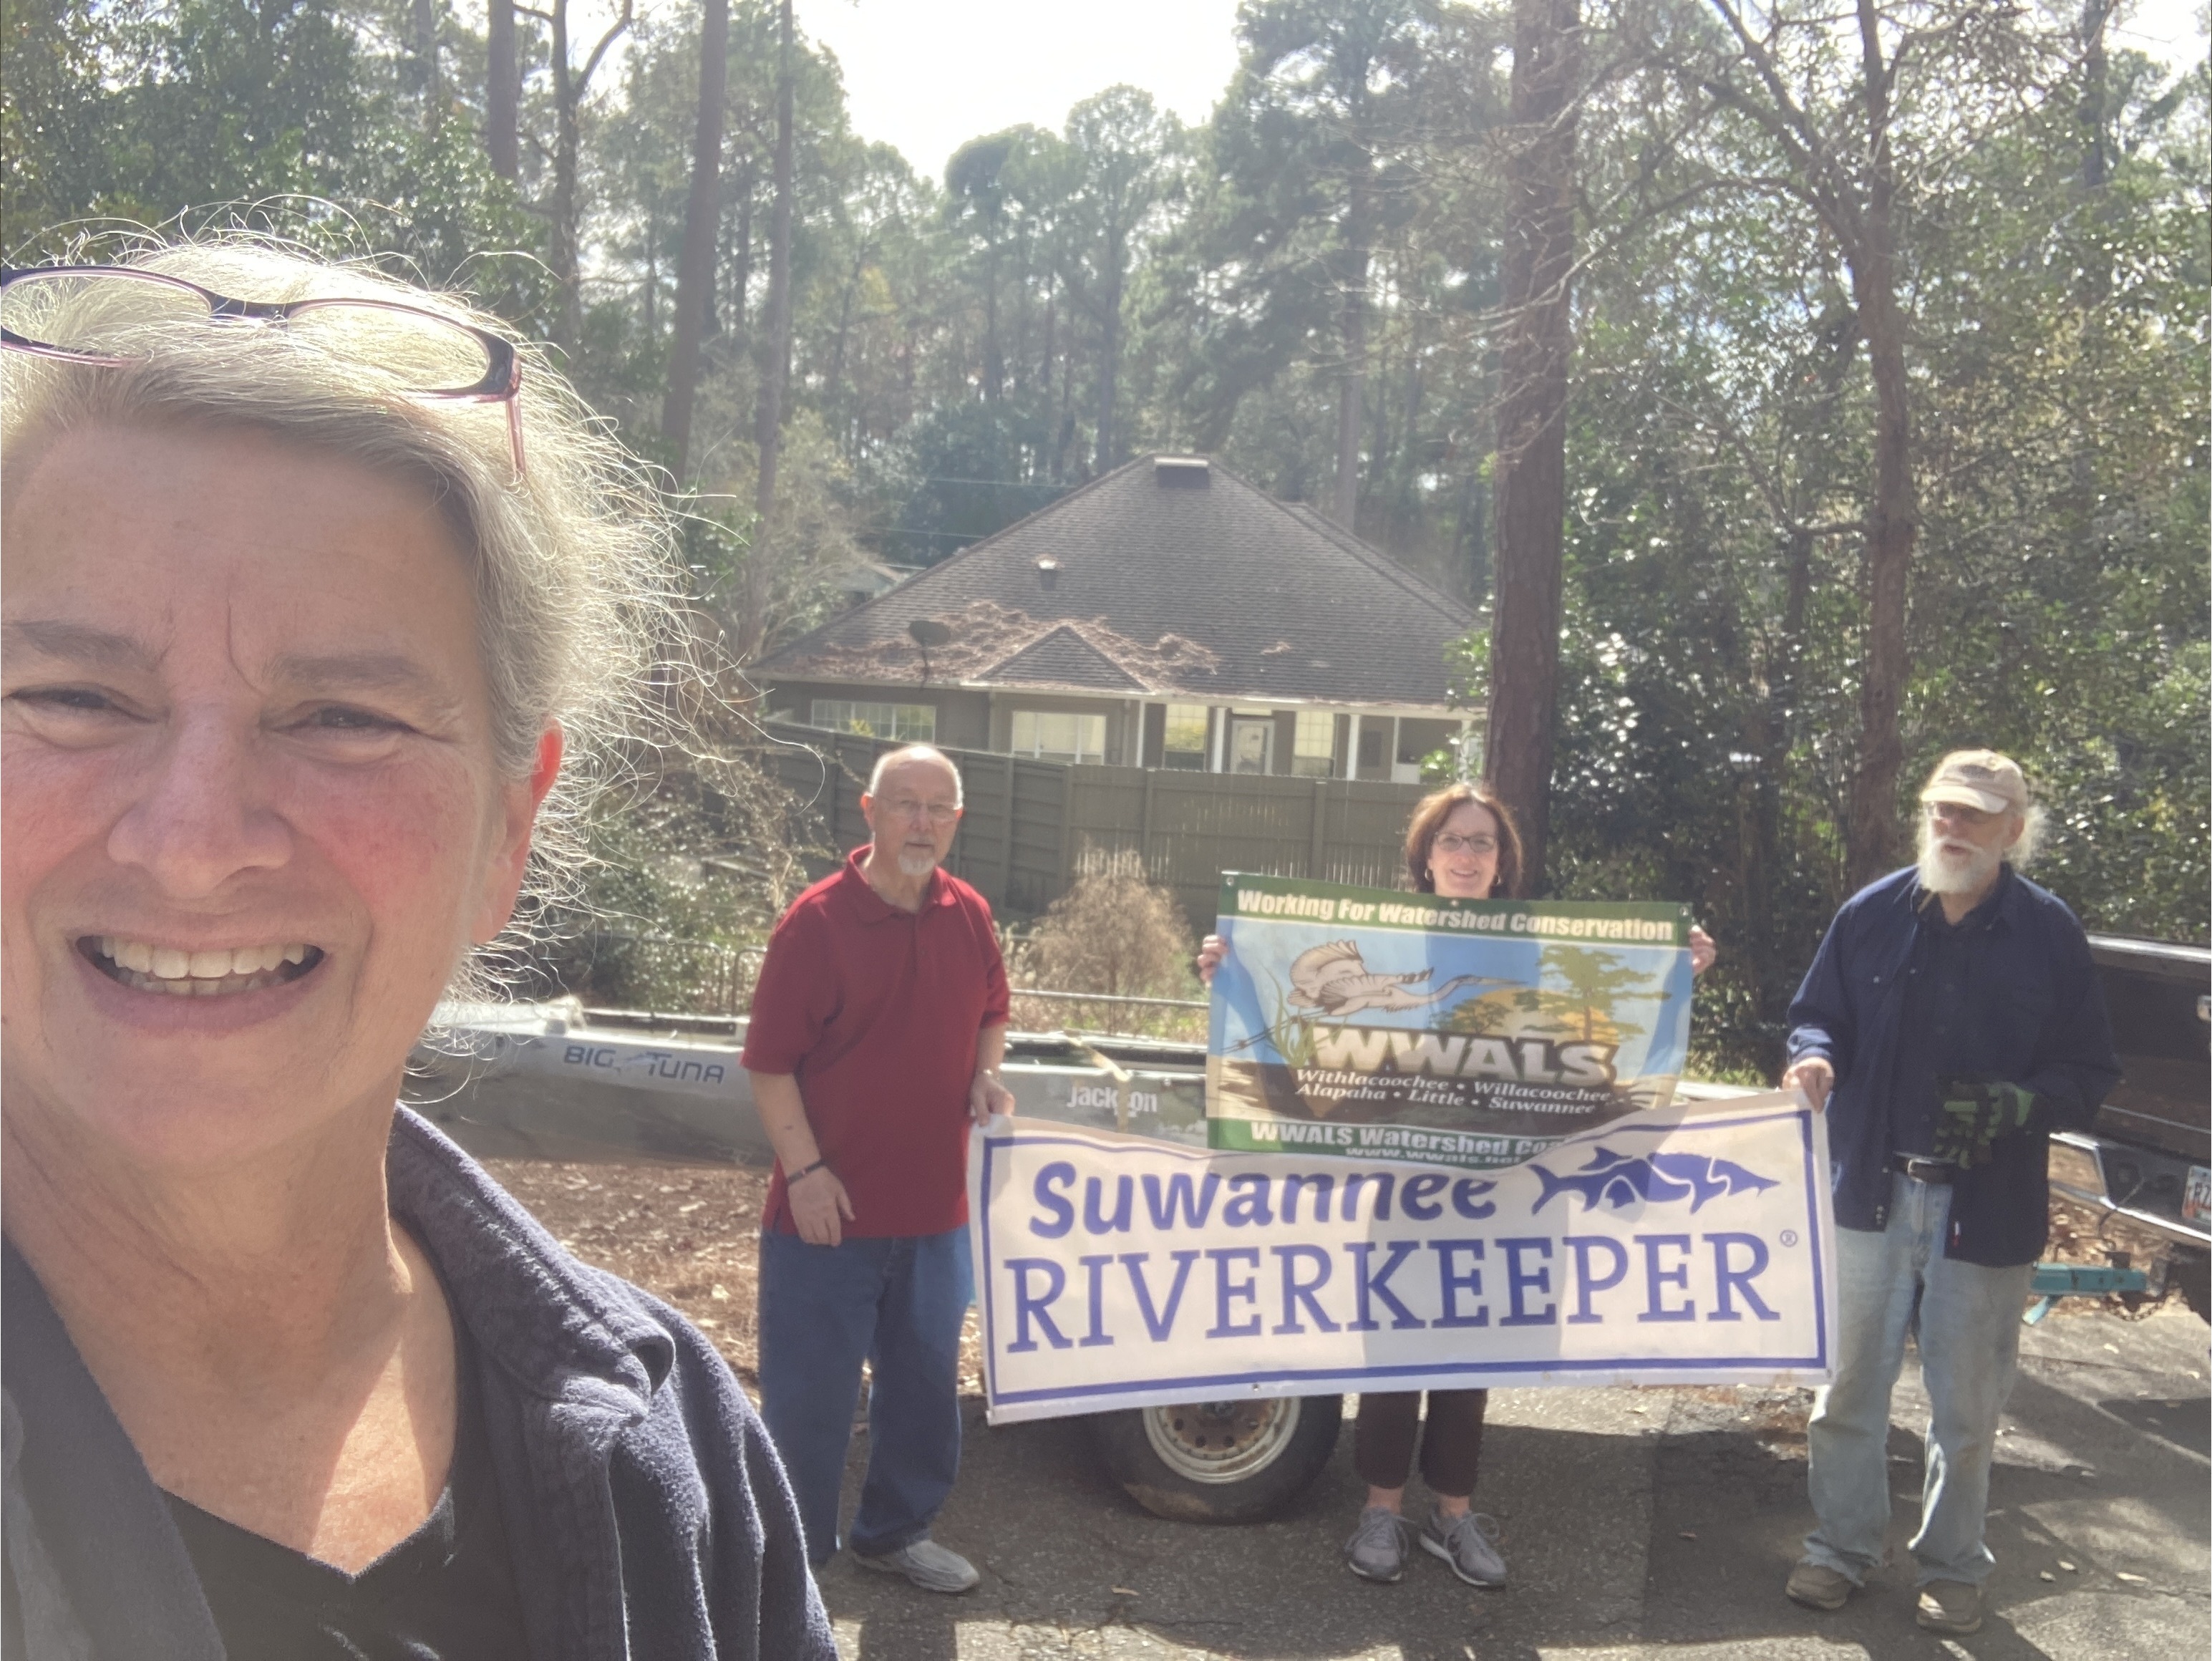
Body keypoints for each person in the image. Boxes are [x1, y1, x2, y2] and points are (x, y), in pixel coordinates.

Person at [0, 245, 833, 1657]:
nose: (193, 840)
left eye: (343, 715)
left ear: (507, 831)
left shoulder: (687, 1462)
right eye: (76, 694)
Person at [1198, 781, 1717, 1588]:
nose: (1467, 855)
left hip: (1502, 1186)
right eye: (1452, 840)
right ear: (1426, 856)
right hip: (1401, 1183)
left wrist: (1674, 970)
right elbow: (1300, 1014)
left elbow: (1601, 1019)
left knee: (1470, 1354)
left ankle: (1452, 1516)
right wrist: (1232, 967)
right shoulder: (1382, 938)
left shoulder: (1532, 944)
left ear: (1503, 860)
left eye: (1482, 841)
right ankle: (1381, 1512)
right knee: (1394, 1353)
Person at [1779, 750, 2118, 1637]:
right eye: (1941, 810)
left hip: (1985, 1208)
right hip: (1871, 1195)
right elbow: (1818, 1013)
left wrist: (2024, 1103)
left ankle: (1953, 1567)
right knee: (1847, 1392)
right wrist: (1813, 1054)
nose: (1952, 827)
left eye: (1974, 814)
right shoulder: (1871, 914)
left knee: (1966, 1410)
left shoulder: (2050, 933)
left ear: (2015, 829)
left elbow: (2090, 1071)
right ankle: (1838, 1550)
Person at [741, 744, 1016, 1594]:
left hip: (936, 1216)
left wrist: (985, 1070)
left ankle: (895, 1532)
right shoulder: (815, 925)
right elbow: (768, 1063)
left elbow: (994, 1009)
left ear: (958, 822)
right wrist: (808, 1170)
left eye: (939, 808)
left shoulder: (968, 912)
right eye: (907, 804)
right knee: (810, 1401)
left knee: (924, 1392)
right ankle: (793, 1561)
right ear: (869, 810)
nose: (922, 822)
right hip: (828, 1212)